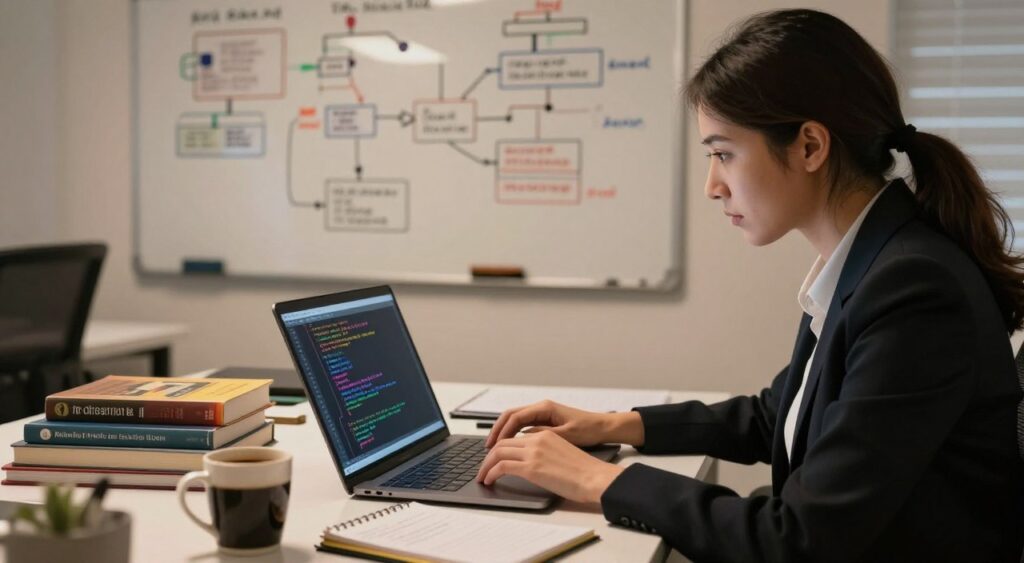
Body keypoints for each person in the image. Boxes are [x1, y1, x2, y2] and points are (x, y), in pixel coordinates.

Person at [475, 9, 1024, 563]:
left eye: (723, 154)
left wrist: (598, 481)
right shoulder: (876, 261)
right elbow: (780, 412)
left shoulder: (913, 289)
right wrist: (614, 425)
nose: (713, 186)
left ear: (811, 146)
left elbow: (797, 539)